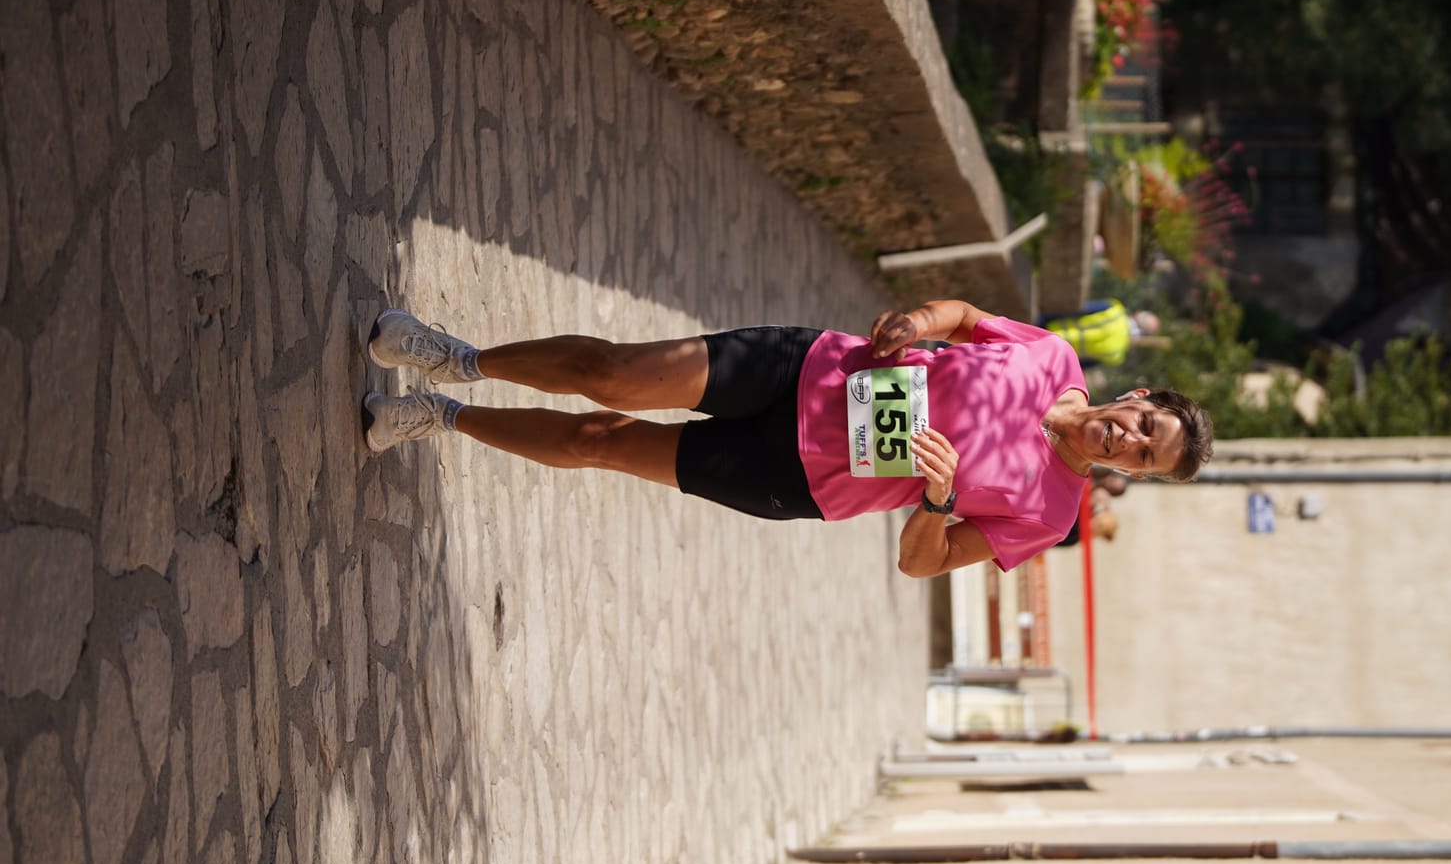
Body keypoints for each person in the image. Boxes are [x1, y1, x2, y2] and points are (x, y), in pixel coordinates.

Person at [360, 299, 1213, 578]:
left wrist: (939, 495)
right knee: (611, 371)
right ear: (1136, 395)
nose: (1129, 440)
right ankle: (457, 359)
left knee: (600, 440)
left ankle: (438, 418)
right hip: (802, 369)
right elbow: (957, 317)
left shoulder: (1047, 513)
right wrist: (913, 321)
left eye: (1144, 454)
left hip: (797, 479)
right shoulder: (1051, 353)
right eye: (1145, 425)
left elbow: (922, 561)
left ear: (1131, 473)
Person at [1036, 299, 1161, 368]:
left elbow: (1076, 309)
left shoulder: (1114, 310)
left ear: (1138, 314)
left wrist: (1040, 317)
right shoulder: (1117, 355)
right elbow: (1082, 364)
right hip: (1051, 355)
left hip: (1044, 328)